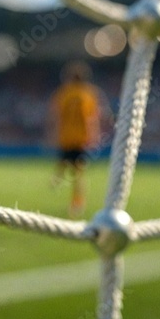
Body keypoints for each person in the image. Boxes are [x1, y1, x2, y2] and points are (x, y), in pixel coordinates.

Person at [48, 61, 104, 219]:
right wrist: (94, 136)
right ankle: (77, 203)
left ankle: (57, 180)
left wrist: (53, 135)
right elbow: (91, 118)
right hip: (81, 138)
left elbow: (56, 116)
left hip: (66, 136)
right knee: (79, 173)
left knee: (64, 163)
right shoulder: (89, 94)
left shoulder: (63, 93)